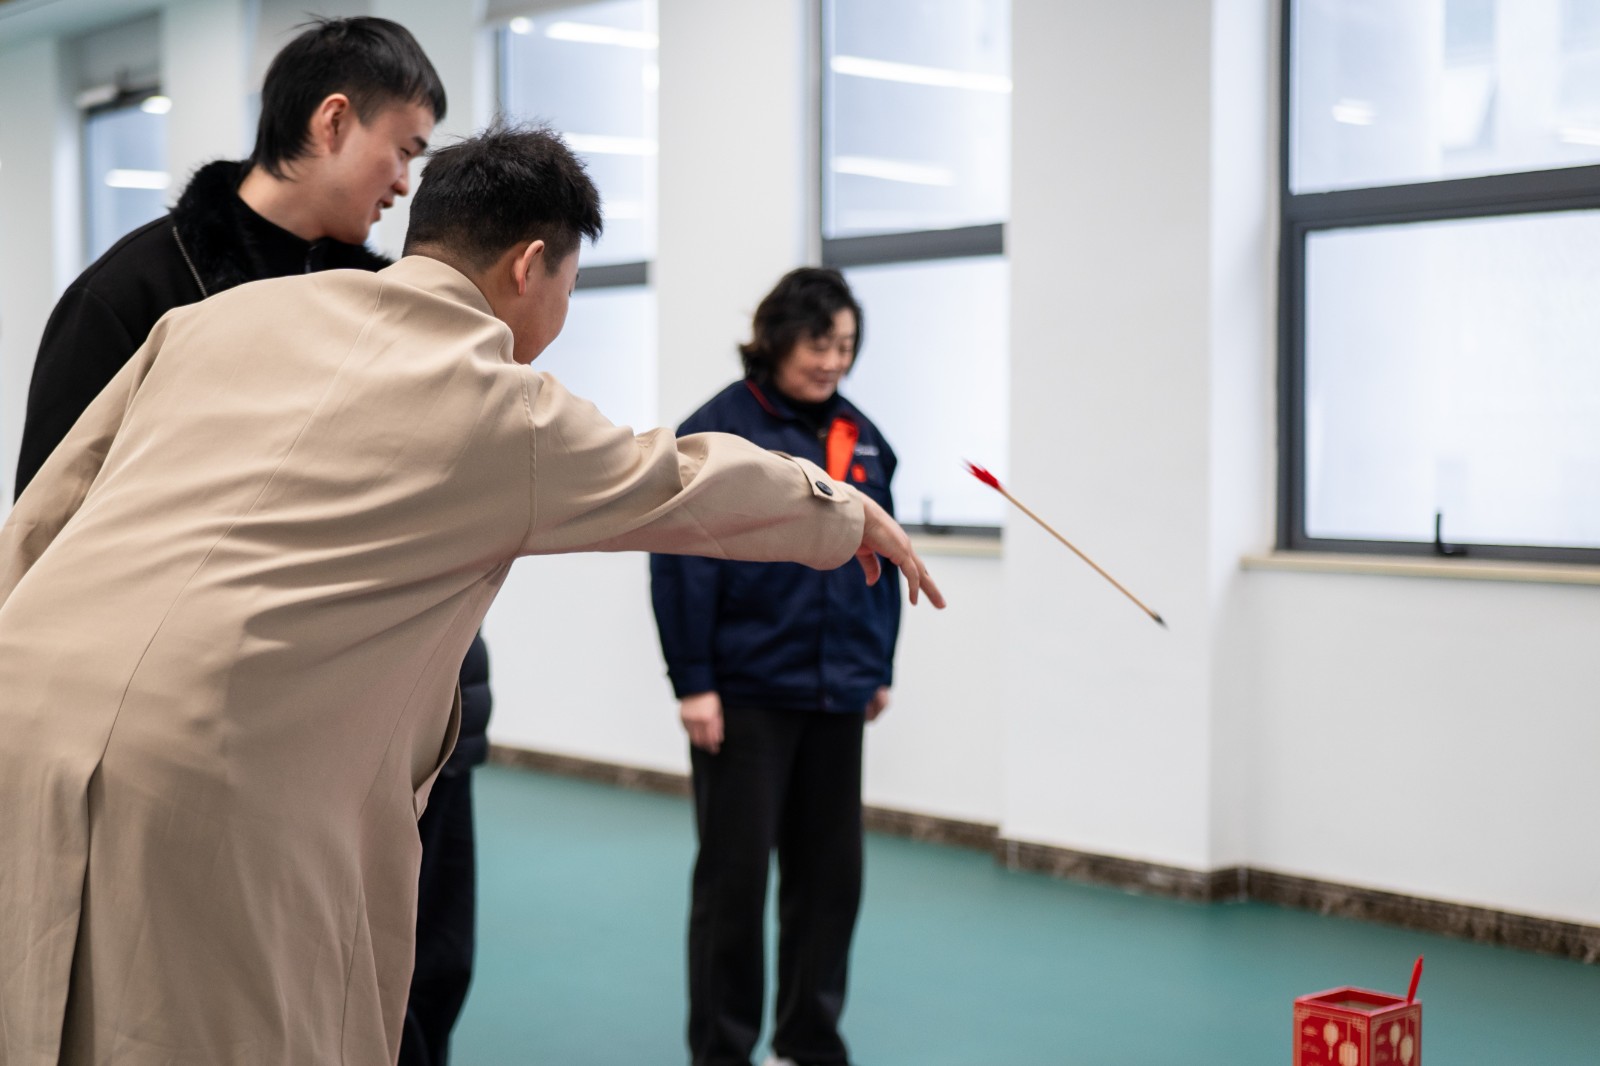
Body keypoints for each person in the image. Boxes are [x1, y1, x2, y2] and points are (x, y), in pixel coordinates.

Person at [0, 123, 942, 1066]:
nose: (562, 312)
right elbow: (680, 481)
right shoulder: (502, 405)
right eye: (570, 286)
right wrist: (845, 512)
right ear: (530, 265)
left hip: (25, 700)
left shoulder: (219, 319)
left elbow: (51, 505)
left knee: (37, 1008)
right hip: (213, 758)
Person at [10, 19, 481, 1064]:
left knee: (415, 973)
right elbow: (53, 532)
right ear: (333, 120)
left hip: (390, 712)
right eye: (404, 148)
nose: (407, 182)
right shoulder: (134, 294)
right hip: (213, 738)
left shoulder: (388, 311)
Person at [650, 268, 900, 1066]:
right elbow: (681, 563)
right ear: (777, 338)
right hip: (745, 693)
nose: (834, 361)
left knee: (830, 883)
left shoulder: (863, 436)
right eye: (819, 344)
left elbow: (884, 557)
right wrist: (694, 682)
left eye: (846, 346)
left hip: (837, 691)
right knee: (734, 885)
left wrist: (877, 665)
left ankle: (808, 1042)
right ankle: (722, 1049)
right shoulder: (718, 432)